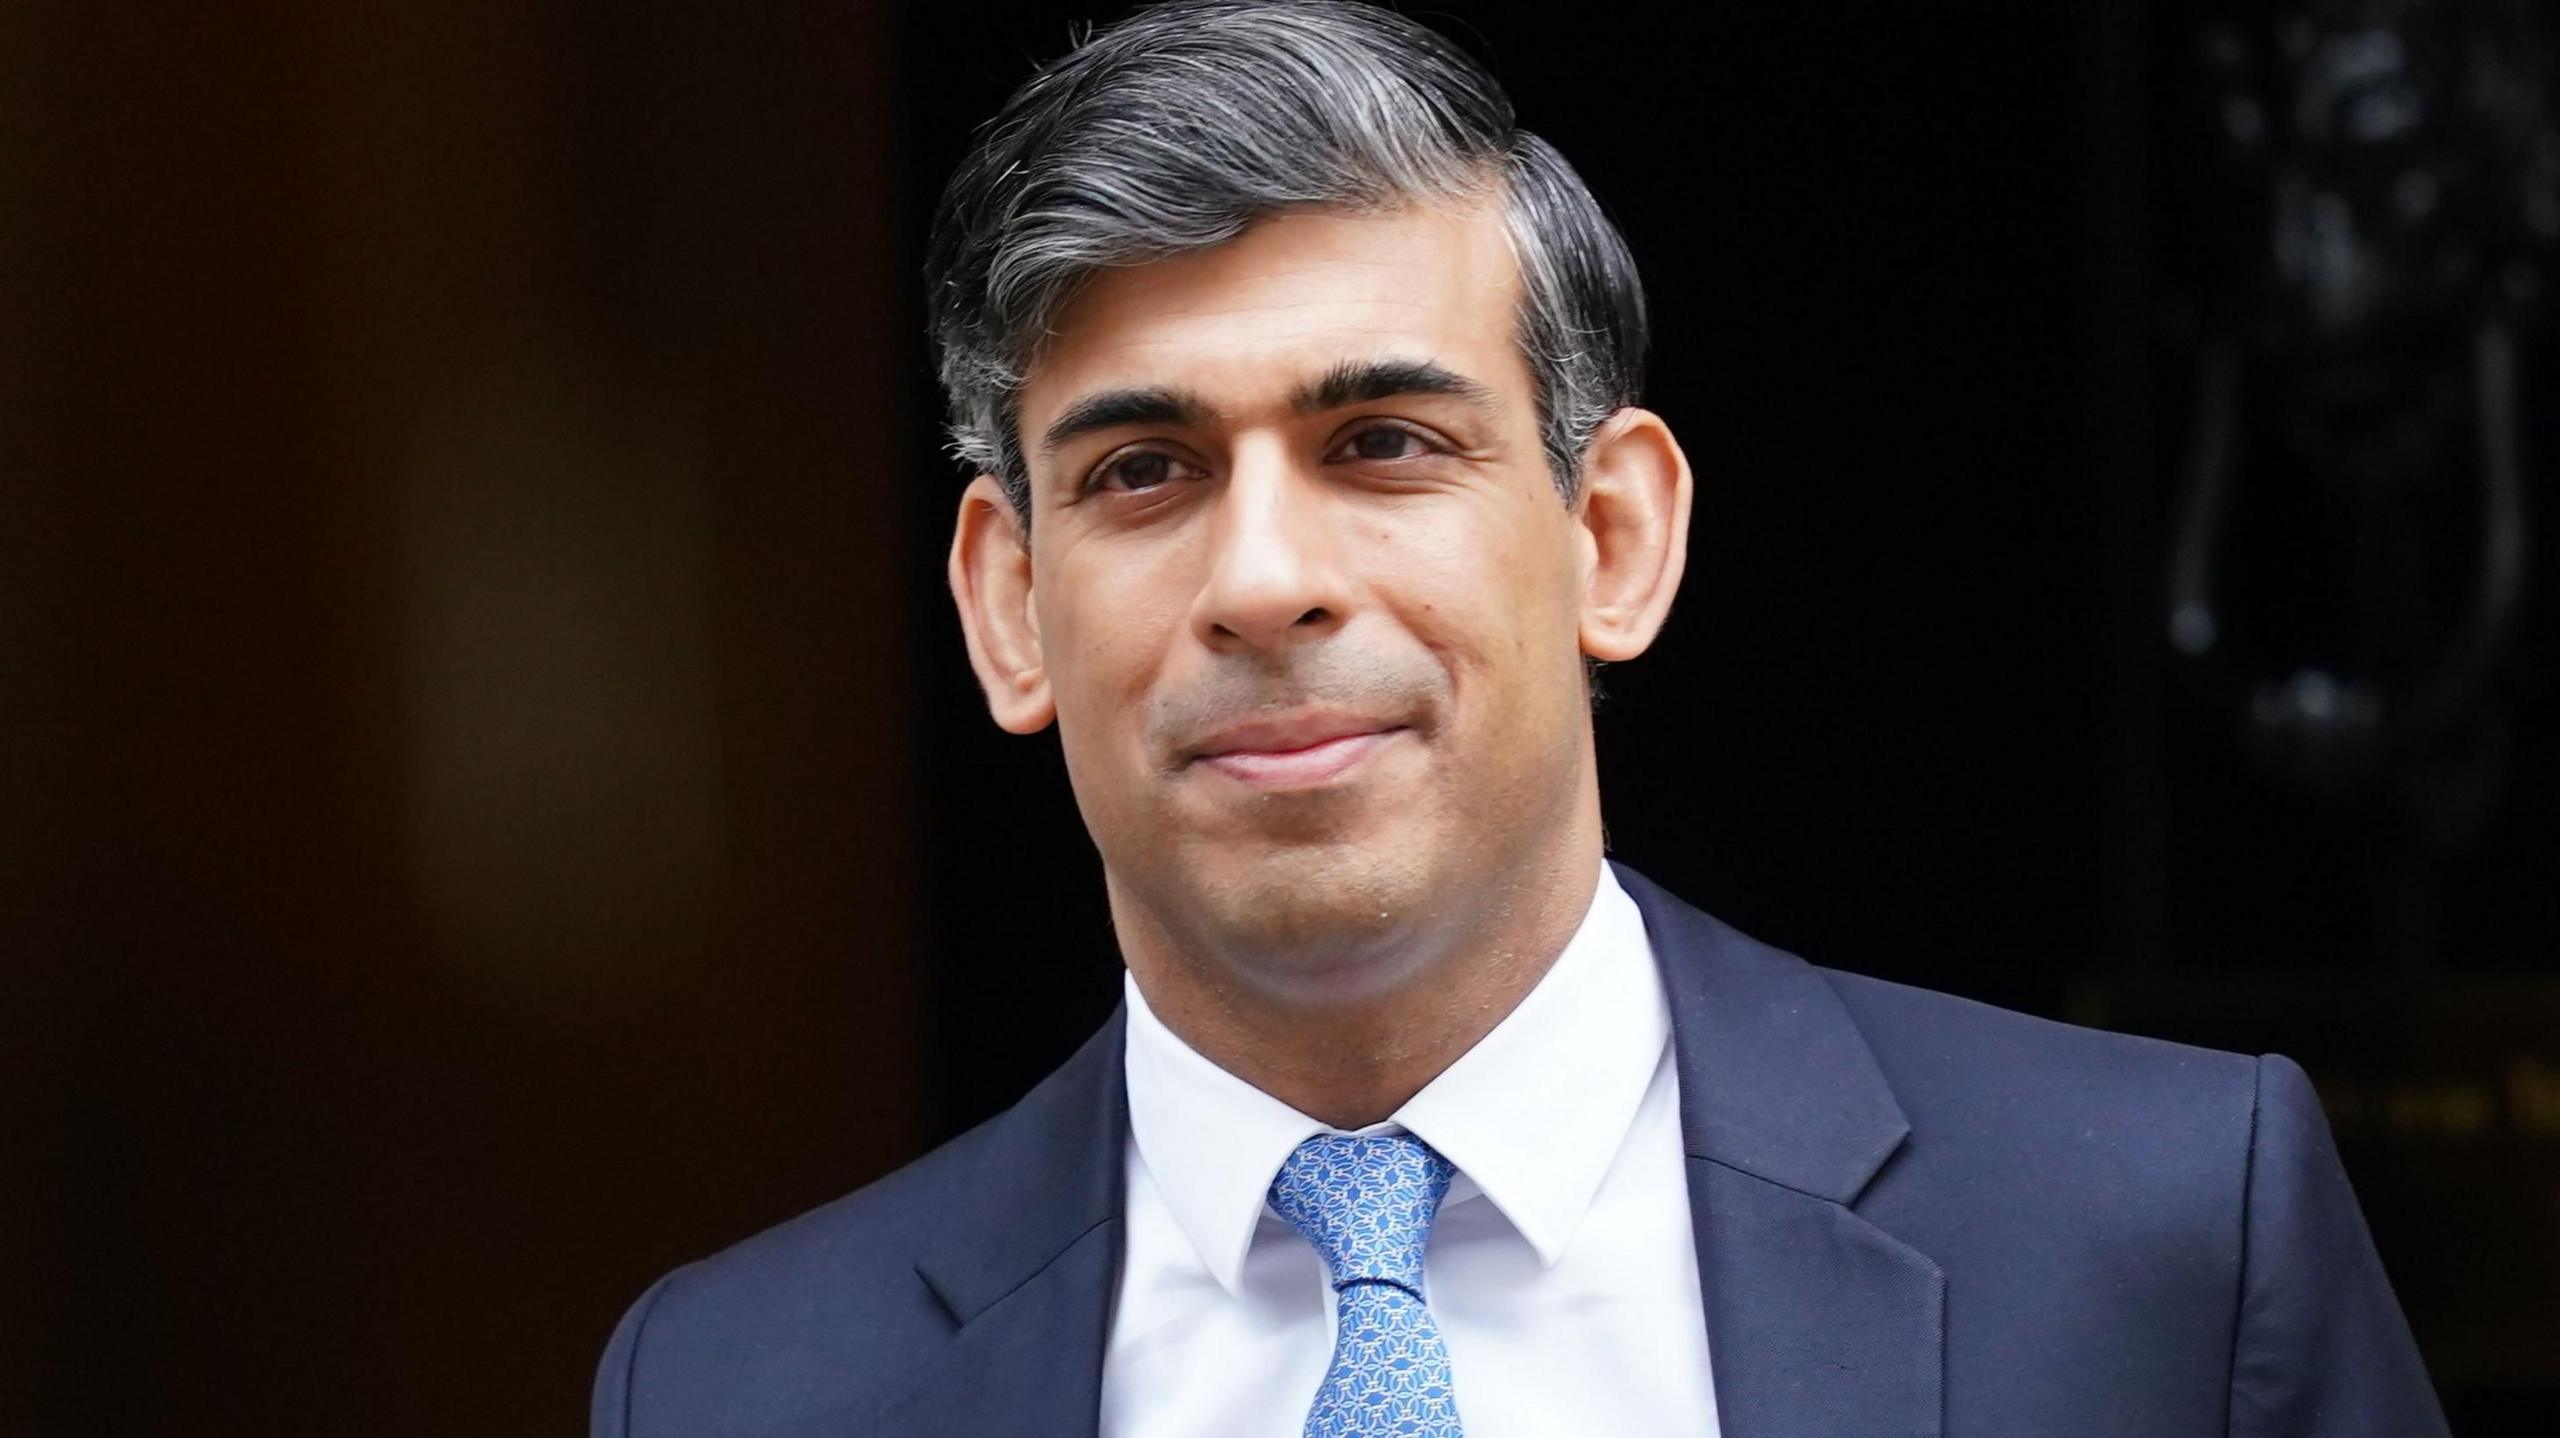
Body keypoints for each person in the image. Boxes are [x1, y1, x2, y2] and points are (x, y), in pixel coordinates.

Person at [590, 3, 2450, 1434]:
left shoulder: (2166, 1243)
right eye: (1145, 469)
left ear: (1613, 537)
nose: (1261, 578)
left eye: (1380, 442)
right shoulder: (741, 1385)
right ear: (1008, 604)